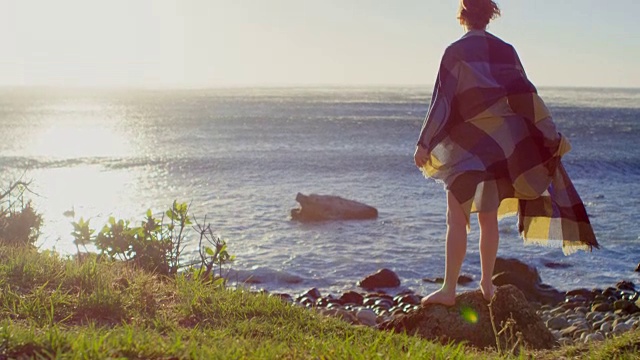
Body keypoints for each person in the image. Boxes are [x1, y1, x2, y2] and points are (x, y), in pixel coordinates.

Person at [414, 0, 599, 307]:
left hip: (469, 149)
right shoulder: (507, 51)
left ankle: (449, 290)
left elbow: (442, 102)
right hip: (501, 149)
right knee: (488, 219)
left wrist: (424, 143)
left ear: (462, 16)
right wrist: (549, 133)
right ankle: (487, 284)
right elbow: (526, 96)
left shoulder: (454, 53)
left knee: (456, 219)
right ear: (489, 16)